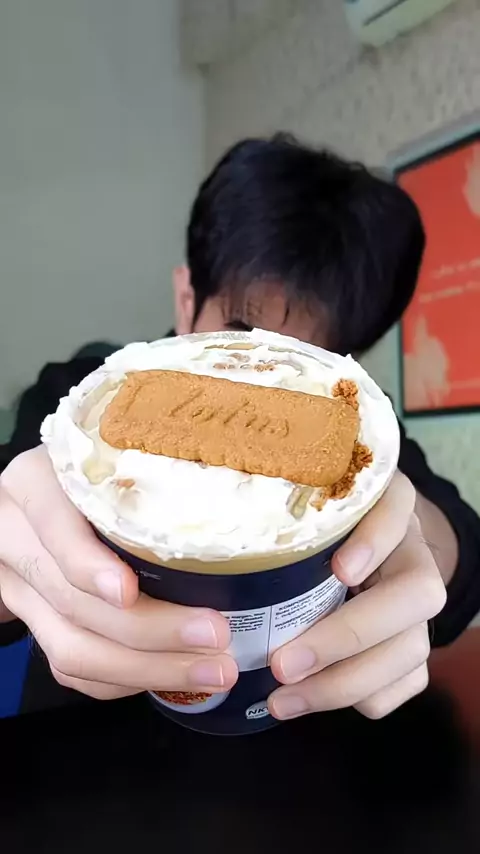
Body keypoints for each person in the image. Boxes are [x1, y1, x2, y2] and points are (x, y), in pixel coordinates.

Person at [1, 135, 479, 723]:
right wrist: (15, 561)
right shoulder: (80, 406)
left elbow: (465, 556)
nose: (273, 377)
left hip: (311, 751)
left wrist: (407, 539)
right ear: (186, 299)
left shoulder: (352, 439)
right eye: (243, 332)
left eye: (317, 356)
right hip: (84, 752)